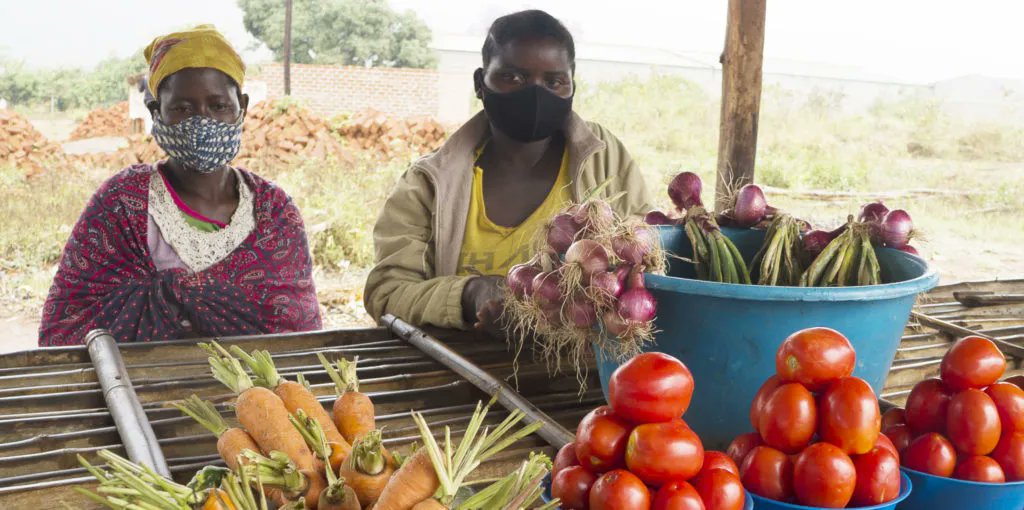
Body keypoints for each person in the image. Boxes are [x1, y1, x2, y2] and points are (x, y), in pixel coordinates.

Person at [364, 10, 652, 336]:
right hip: (458, 363)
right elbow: (387, 293)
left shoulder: (604, 159)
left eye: (554, 82)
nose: (536, 94)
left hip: (581, 363)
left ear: (572, 87)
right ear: (480, 83)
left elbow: (647, 258)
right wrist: (468, 294)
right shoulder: (430, 182)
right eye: (513, 77)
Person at [39, 25, 321, 345]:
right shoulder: (122, 203)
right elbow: (70, 324)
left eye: (218, 106)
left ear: (241, 106)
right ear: (156, 111)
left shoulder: (274, 211)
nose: (202, 122)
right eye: (182, 108)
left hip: (253, 380)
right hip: (140, 378)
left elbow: (297, 332)